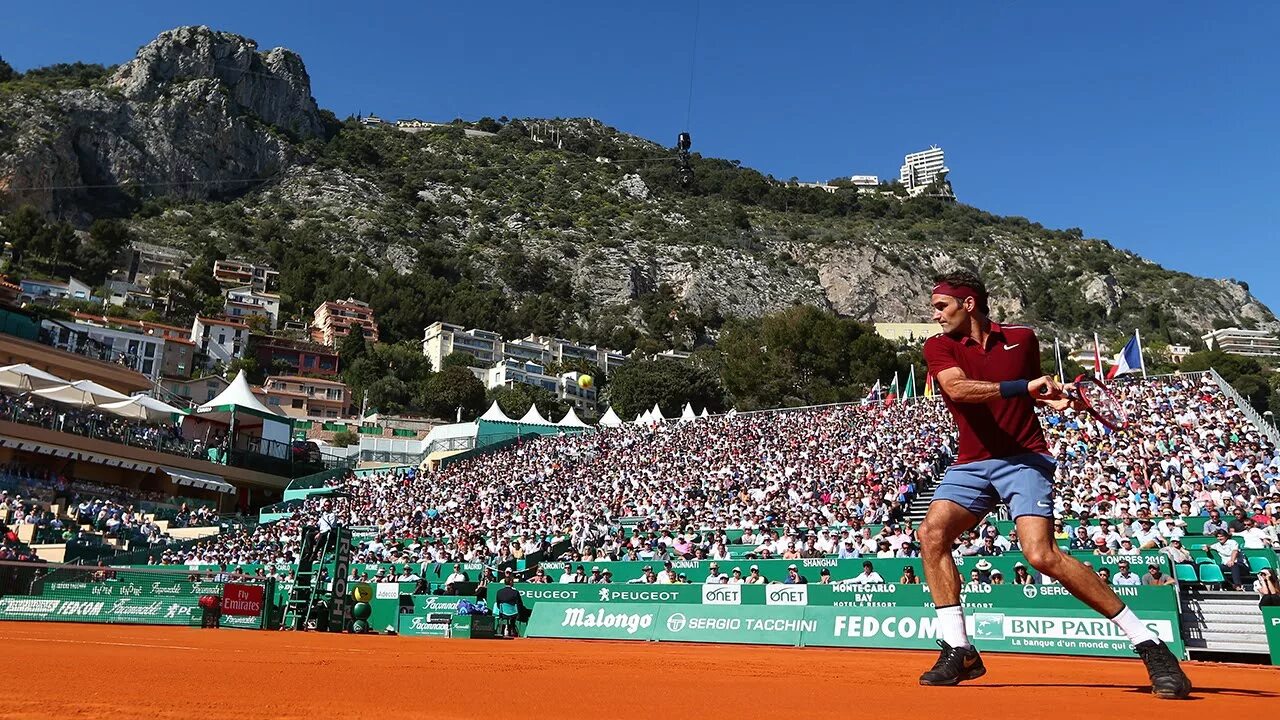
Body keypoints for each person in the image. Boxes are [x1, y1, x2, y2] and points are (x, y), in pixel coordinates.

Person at [916, 270, 1190, 698]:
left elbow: (1023, 391)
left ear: (968, 304)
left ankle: (1150, 645)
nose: (933, 315)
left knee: (1041, 554)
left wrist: (1048, 395)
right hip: (971, 462)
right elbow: (960, 389)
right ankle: (959, 649)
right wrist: (1026, 387)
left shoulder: (1022, 339)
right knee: (932, 534)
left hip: (1025, 458)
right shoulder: (938, 345)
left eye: (940, 306)